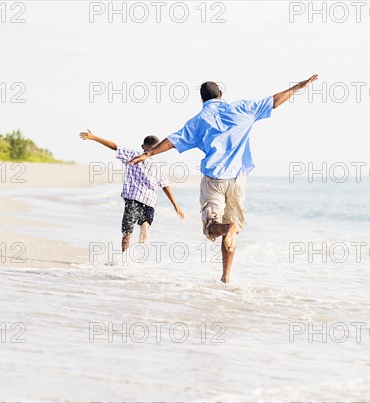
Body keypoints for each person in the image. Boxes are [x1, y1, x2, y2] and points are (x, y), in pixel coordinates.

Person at [128, 75, 319, 283]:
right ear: (221, 95)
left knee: (211, 227)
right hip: (238, 179)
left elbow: (173, 140)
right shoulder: (243, 108)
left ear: (202, 100)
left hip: (214, 179)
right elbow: (274, 100)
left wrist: (148, 154)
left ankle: (227, 235)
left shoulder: (199, 120)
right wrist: (299, 87)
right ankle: (225, 278)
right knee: (231, 229)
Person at [79, 130, 185, 252]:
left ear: (142, 147)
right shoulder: (158, 167)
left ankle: (124, 258)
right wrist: (175, 206)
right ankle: (144, 226)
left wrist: (94, 137)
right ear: (158, 149)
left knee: (127, 232)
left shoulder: (133, 155)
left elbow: (114, 146)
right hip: (150, 201)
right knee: (145, 220)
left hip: (133, 198)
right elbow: (166, 186)